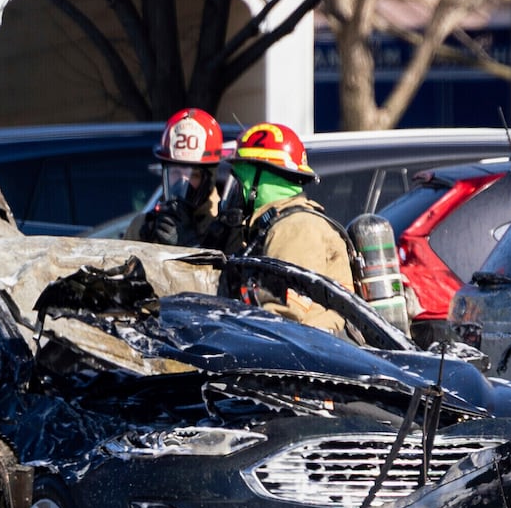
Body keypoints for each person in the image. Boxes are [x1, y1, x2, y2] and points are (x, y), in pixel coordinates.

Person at [231, 121, 355, 338]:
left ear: (258, 182)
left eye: (241, 181)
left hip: (314, 360)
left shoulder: (295, 228)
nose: (237, 191)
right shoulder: (282, 224)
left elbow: (281, 320)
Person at [137, 107, 243, 252]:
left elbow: (226, 274)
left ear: (210, 178)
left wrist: (189, 247)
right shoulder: (142, 226)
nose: (183, 181)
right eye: (175, 172)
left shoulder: (228, 230)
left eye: (194, 175)